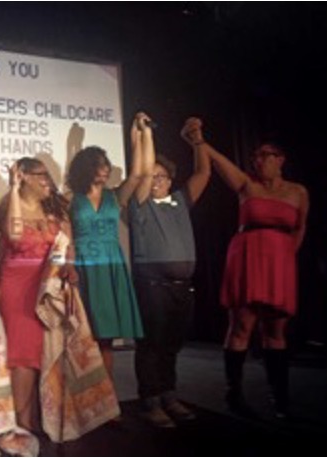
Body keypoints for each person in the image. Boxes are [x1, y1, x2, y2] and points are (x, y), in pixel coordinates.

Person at [185, 118, 309, 419]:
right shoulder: (246, 183)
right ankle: (234, 395)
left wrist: (287, 257)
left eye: (265, 155)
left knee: (276, 332)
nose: (258, 160)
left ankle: (279, 398)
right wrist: (197, 139)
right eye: (255, 155)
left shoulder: (298, 192)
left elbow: (300, 228)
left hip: (279, 263)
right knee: (241, 327)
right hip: (248, 259)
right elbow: (215, 159)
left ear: (280, 160)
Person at [128, 115, 211, 428]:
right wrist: (139, 133)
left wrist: (198, 138)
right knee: (151, 344)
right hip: (152, 284)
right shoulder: (140, 206)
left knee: (171, 345)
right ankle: (150, 401)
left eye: (162, 177)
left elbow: (203, 171)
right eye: (153, 177)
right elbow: (140, 170)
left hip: (181, 286)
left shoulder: (180, 201)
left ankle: (168, 395)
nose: (156, 181)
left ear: (171, 179)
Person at [0, 157, 76, 433]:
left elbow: (69, 247)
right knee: (24, 355)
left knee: (47, 351)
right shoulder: (10, 204)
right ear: (23, 176)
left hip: (49, 289)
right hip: (17, 287)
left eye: (48, 175)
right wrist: (14, 190)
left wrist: (68, 267)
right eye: (39, 175)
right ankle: (21, 421)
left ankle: (44, 416)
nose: (46, 181)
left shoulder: (56, 208)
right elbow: (15, 237)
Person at [66, 116, 146, 384]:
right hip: (83, 269)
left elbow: (137, 174)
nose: (104, 169)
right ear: (86, 169)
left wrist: (138, 134)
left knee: (106, 339)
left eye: (106, 164)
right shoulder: (71, 199)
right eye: (98, 165)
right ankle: (82, 401)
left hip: (111, 266)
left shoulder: (115, 196)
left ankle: (107, 401)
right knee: (82, 336)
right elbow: (62, 237)